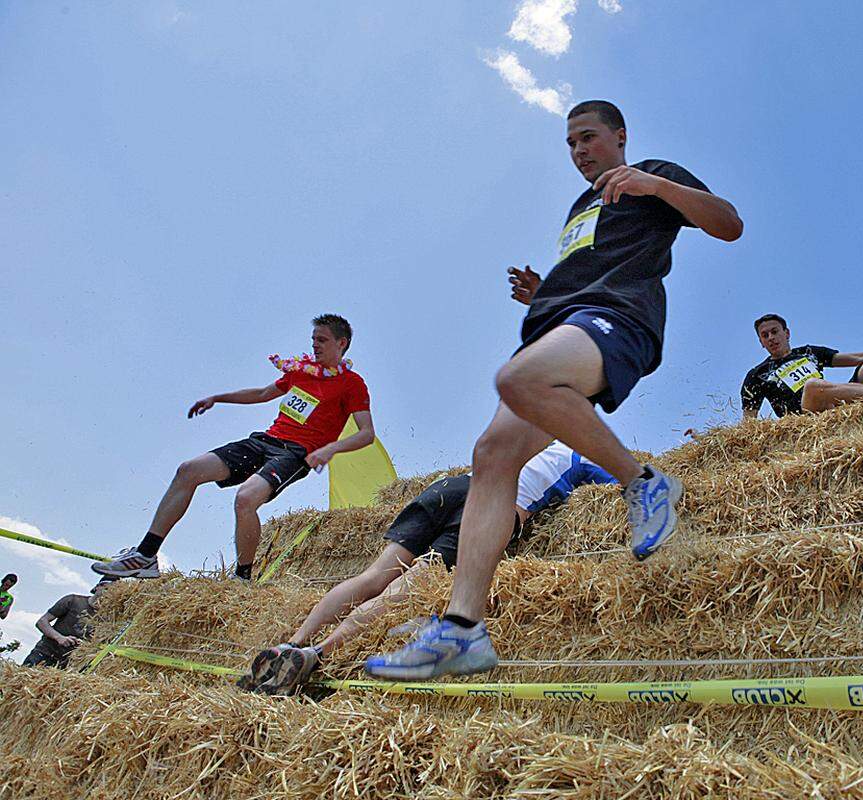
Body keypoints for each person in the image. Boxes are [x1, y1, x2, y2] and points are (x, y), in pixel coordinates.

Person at [365, 99, 742, 680]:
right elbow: (587, 271)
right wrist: (543, 294)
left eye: (588, 138)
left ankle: (644, 483)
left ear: (620, 136)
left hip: (619, 319)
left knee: (518, 379)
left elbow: (728, 223)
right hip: (564, 323)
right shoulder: (578, 206)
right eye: (570, 144)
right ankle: (464, 629)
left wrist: (655, 186)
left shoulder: (652, 176)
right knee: (492, 455)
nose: (579, 151)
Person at [241, 441, 617, 693]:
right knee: (401, 591)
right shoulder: (579, 453)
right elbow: (617, 488)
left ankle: (291, 642)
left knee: (372, 576)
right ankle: (317, 653)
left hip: (449, 488)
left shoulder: (526, 436)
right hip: (491, 508)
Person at [92, 314, 375, 582]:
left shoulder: (352, 384)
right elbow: (263, 394)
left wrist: (330, 450)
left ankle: (242, 578)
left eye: (322, 340)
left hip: (295, 454)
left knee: (245, 499)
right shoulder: (300, 373)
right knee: (188, 470)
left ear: (342, 343)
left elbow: (366, 434)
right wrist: (218, 397)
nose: (314, 345)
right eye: (313, 339)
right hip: (263, 440)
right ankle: (145, 555)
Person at [741, 315, 863, 418]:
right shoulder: (756, 375)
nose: (771, 338)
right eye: (764, 335)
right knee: (813, 386)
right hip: (807, 419)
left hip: (840, 404)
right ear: (760, 342)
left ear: (787, 333)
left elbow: (857, 358)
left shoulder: (809, 352)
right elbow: (748, 426)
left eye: (774, 332)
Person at [22, 579, 114, 668]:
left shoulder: (107, 618)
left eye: (112, 592)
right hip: (45, 653)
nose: (107, 594)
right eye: (106, 589)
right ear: (98, 587)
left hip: (69, 664)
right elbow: (42, 622)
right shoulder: (73, 600)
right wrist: (59, 638)